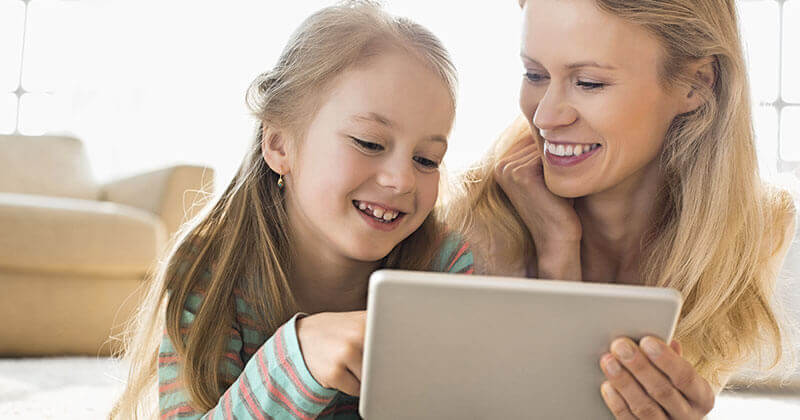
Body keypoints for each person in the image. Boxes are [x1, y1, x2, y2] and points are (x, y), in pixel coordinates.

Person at [109, 1, 472, 418]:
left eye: (426, 160)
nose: (403, 180)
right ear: (279, 144)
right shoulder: (213, 270)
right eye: (370, 143)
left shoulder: (444, 265)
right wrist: (297, 360)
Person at [446, 0, 796, 418]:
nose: (545, 115)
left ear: (695, 84)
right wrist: (558, 252)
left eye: (589, 83)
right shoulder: (473, 226)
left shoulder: (752, 230)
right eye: (535, 75)